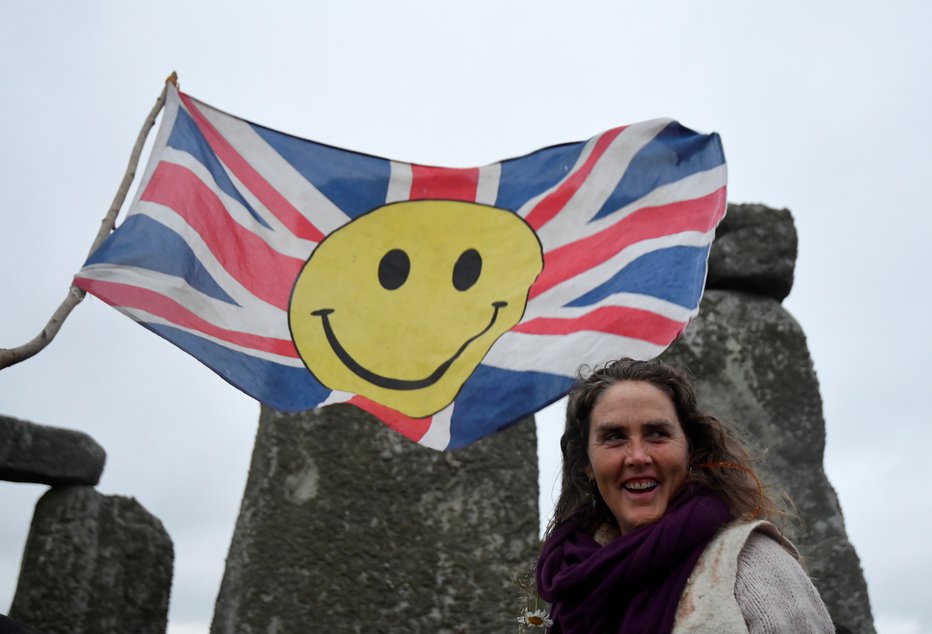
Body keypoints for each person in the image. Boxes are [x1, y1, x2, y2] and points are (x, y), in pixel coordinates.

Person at [536, 358, 834, 633]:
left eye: (657, 433)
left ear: (690, 450)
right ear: (587, 463)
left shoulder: (755, 565)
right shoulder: (575, 586)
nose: (638, 457)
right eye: (614, 437)